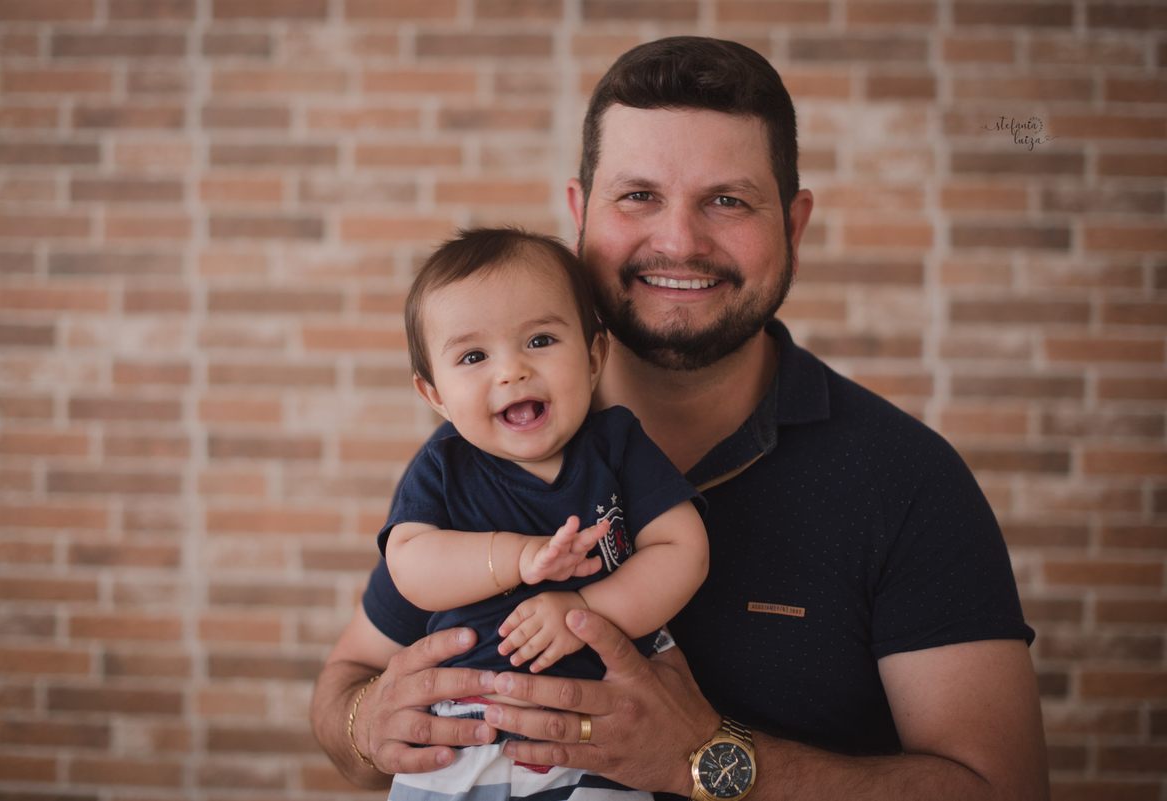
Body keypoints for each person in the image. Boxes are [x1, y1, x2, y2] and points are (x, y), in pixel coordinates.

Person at [312, 36, 1050, 801]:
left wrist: (705, 758)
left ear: (793, 228)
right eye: (638, 196)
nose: (678, 242)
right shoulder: (483, 454)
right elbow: (345, 685)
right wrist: (370, 722)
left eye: (727, 200)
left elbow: (1004, 789)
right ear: (580, 214)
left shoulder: (906, 480)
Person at [375, 227, 708, 801]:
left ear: (594, 355)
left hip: (599, 734)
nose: (511, 371)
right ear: (435, 395)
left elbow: (684, 550)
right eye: (474, 356)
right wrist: (519, 557)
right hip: (463, 732)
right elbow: (411, 564)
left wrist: (584, 608)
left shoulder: (616, 447)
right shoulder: (445, 466)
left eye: (540, 340)